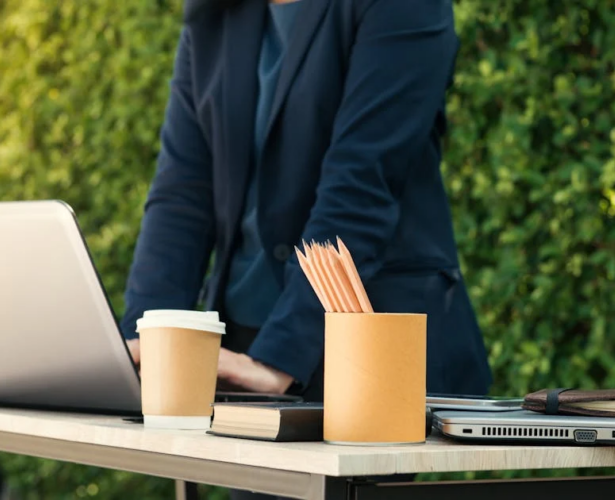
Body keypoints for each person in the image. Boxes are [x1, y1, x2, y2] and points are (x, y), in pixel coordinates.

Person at [123, 0, 490, 468]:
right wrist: (145, 338)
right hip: (244, 354)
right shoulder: (216, 14)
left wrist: (279, 360)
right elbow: (182, 194)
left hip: (370, 364)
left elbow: (360, 186)